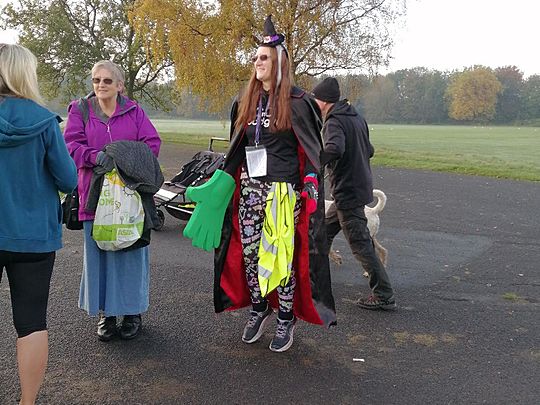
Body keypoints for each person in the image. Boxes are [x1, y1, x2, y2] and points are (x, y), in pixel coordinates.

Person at [183, 16, 336, 353]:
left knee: (278, 258)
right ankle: (259, 307)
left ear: (279, 61)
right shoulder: (245, 103)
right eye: (254, 58)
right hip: (250, 190)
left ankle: (285, 316)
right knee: (250, 255)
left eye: (263, 57)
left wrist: (310, 183)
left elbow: (312, 151)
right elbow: (237, 149)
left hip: (283, 192)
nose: (257, 63)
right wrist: (216, 184)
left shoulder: (299, 102)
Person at [0, 43, 78, 405]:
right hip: (32, 238)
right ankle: (27, 402)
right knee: (31, 322)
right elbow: (68, 180)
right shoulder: (44, 122)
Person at [64, 60, 161, 341]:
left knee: (130, 254)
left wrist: (122, 157)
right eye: (96, 81)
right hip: (94, 197)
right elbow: (71, 145)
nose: (101, 86)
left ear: (120, 85)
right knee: (101, 255)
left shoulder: (134, 112)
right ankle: (106, 314)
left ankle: (132, 312)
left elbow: (151, 144)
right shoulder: (79, 110)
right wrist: (95, 157)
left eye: (107, 81)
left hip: (130, 197)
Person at [312, 77, 397, 310]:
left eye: (315, 99)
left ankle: (383, 294)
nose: (314, 104)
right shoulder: (356, 117)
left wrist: (315, 165)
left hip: (347, 192)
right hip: (355, 189)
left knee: (360, 245)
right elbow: (369, 149)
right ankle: (313, 283)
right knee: (320, 234)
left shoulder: (333, 121)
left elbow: (334, 148)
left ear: (323, 101)